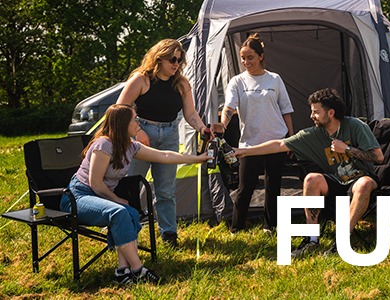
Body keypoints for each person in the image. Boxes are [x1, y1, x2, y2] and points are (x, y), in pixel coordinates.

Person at [61, 104, 209, 284]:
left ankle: (122, 272)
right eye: (135, 119)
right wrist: (117, 200)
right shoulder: (104, 145)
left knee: (129, 213)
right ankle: (139, 270)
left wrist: (198, 159)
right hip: (78, 197)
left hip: (99, 197)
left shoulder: (130, 146)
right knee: (120, 211)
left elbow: (165, 157)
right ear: (123, 124)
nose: (139, 123)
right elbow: (95, 183)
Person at [232, 88, 383, 257]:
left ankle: (342, 242)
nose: (311, 116)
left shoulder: (355, 126)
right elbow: (279, 145)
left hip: (361, 179)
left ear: (331, 113)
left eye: (316, 112)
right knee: (311, 179)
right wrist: (242, 151)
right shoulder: (314, 134)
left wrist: (346, 149)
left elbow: (378, 157)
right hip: (337, 180)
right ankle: (311, 239)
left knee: (364, 183)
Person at [117, 39, 210, 247]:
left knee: (166, 190)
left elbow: (190, 113)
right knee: (132, 184)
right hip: (142, 134)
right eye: (172, 59)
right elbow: (120, 108)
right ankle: (126, 230)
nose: (176, 63)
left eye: (179, 59)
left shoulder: (181, 83)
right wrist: (138, 131)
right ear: (159, 58)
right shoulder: (141, 79)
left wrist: (202, 128)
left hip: (169, 135)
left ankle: (169, 235)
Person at [220, 33, 295, 234]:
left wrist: (291, 140)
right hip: (249, 143)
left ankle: (269, 226)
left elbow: (286, 110)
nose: (246, 62)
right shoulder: (237, 81)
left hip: (277, 140)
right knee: (245, 187)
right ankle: (236, 227)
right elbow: (229, 107)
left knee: (273, 185)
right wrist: (223, 125)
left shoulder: (275, 79)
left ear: (261, 56)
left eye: (250, 57)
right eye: (243, 58)